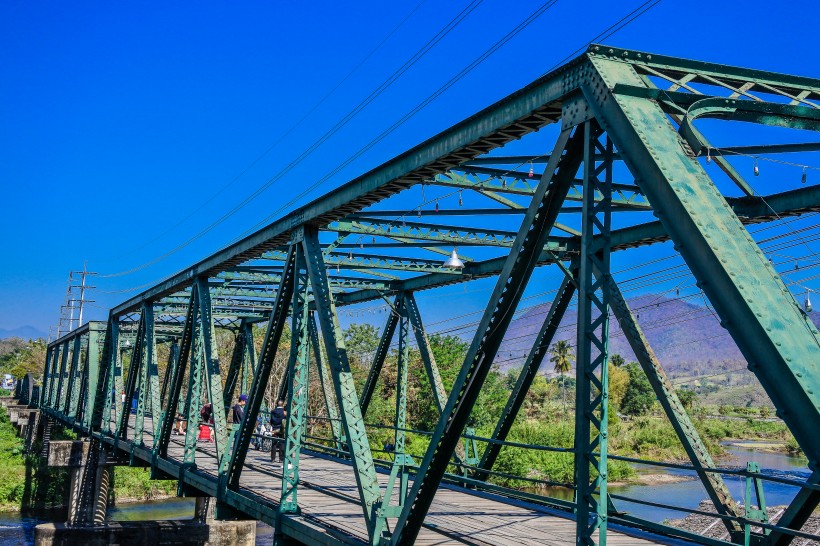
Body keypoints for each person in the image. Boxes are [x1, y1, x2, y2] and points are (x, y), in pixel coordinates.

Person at [270, 399, 287, 464]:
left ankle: (273, 458)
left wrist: (273, 425)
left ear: (276, 404)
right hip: (281, 428)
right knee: (281, 444)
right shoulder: (283, 412)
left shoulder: (273, 411)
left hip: (274, 428)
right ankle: (281, 459)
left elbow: (271, 420)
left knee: (274, 444)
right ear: (282, 405)